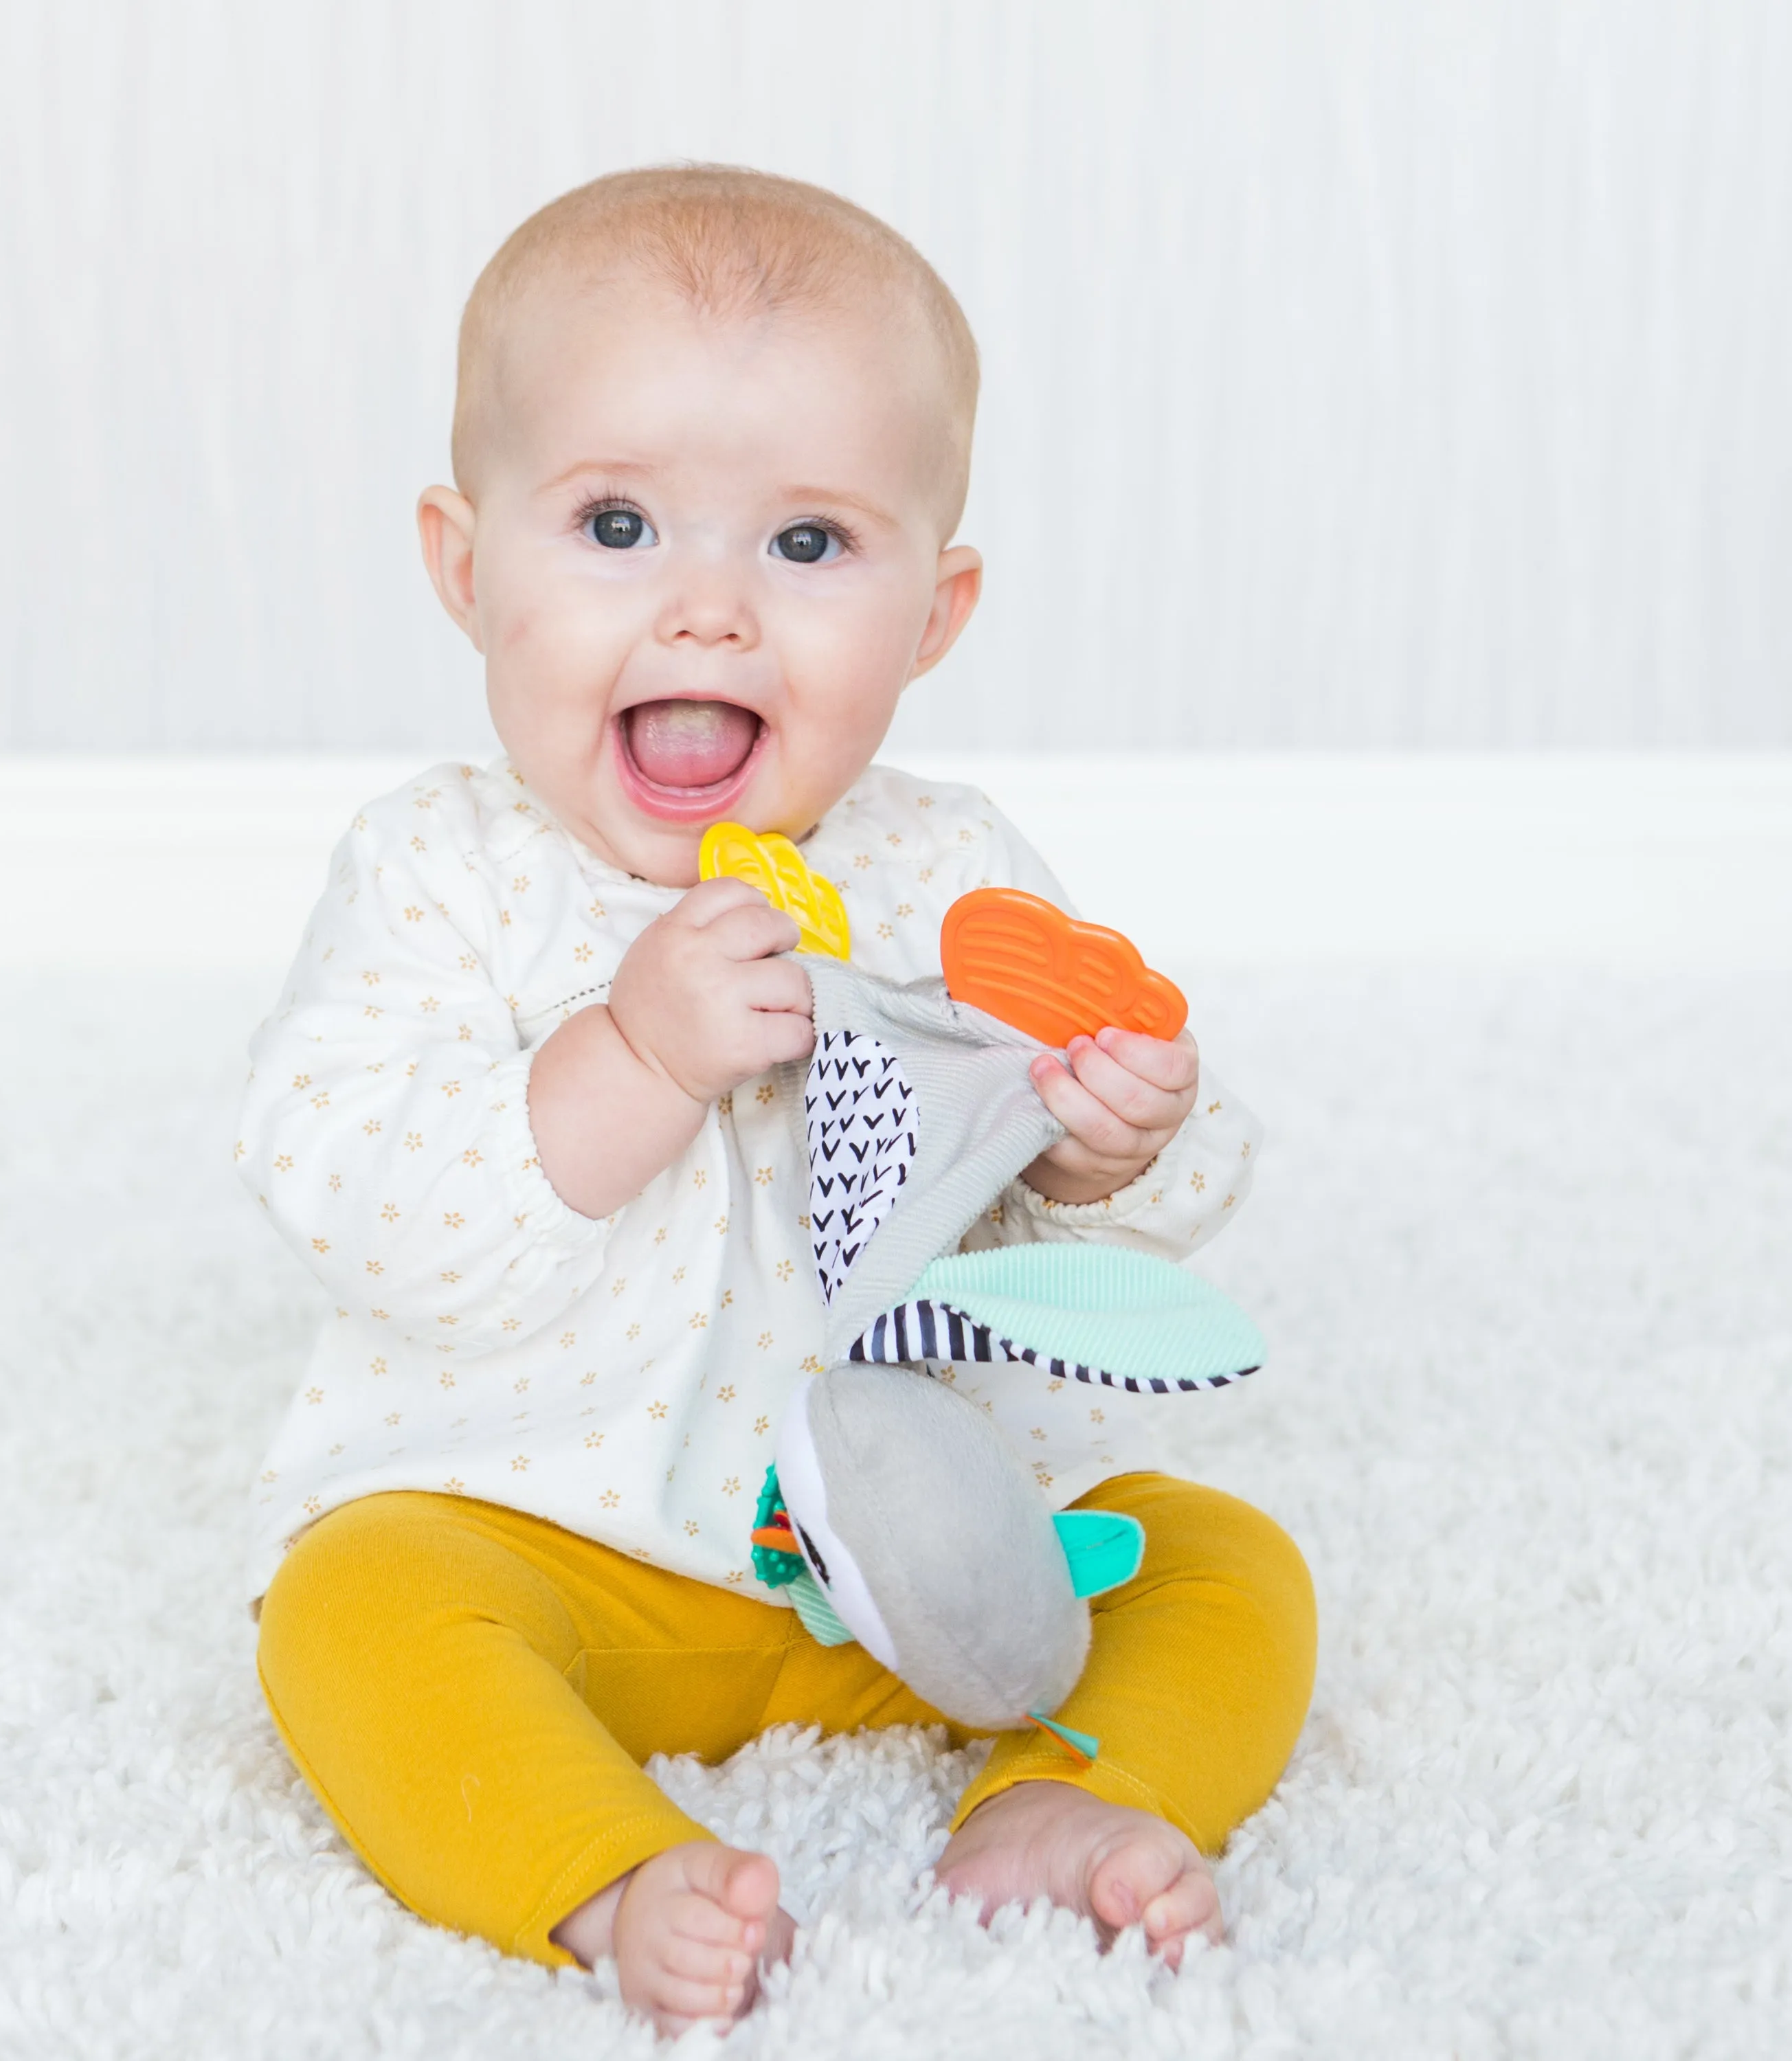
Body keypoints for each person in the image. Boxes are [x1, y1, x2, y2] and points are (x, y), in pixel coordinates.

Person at [240, 165, 1314, 2038]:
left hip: (918, 1572)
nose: (714, 614)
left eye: (810, 547)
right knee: (349, 1612)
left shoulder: (949, 875)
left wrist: (1112, 1132)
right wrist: (629, 1059)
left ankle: (1064, 1792)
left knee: (1230, 1567)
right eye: (620, 524)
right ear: (463, 561)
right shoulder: (439, 872)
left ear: (937, 607)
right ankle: (600, 1862)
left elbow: (1112, 1232)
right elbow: (351, 1191)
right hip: (552, 1543)